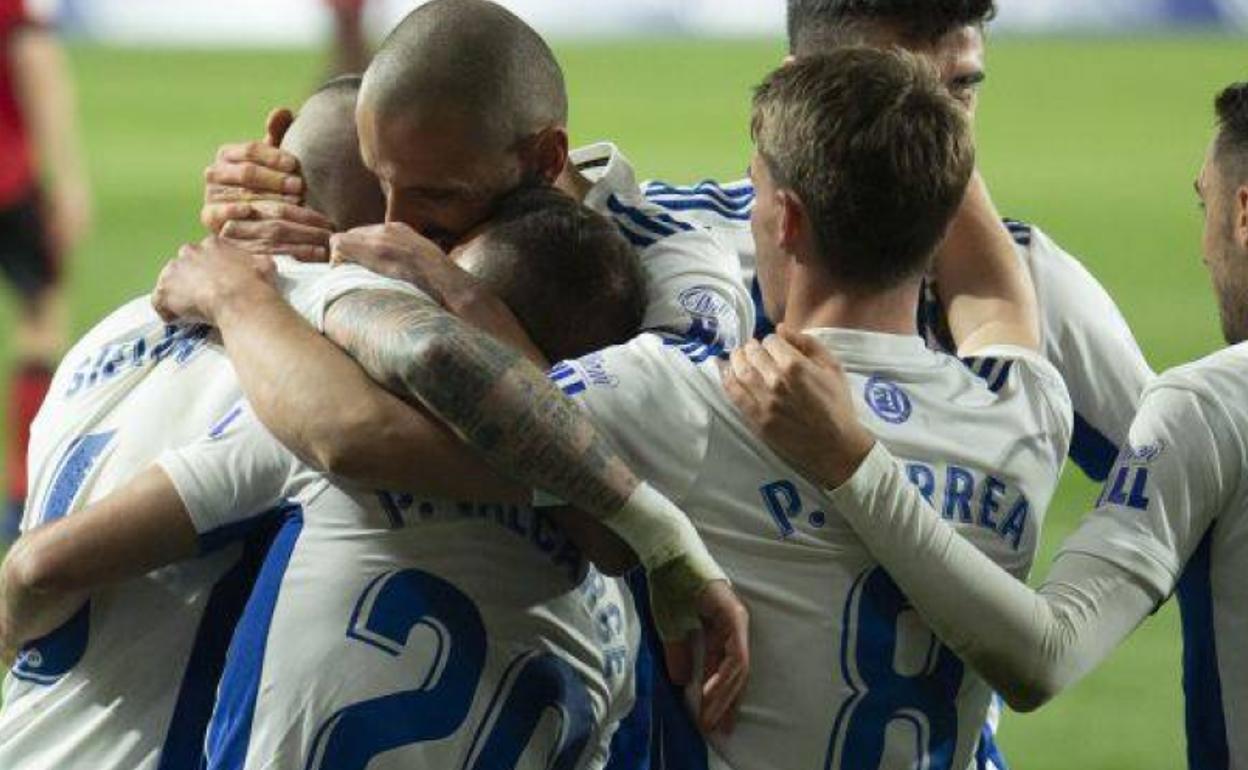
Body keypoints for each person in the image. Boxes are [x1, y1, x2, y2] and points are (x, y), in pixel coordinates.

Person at [0, 78, 747, 769]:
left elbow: (36, 569)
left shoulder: (107, 338)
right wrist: (649, 525)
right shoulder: (319, 389)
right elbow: (377, 419)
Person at [724, 80, 1248, 770]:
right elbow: (1001, 301)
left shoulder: (1215, 404)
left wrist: (853, 462)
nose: (1203, 249)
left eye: (1202, 203)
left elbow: (1046, 655)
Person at [643, 0, 1153, 484]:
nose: (930, 124)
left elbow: (1196, 500)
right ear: (789, 87)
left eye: (960, 89)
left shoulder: (1036, 282)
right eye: (883, 85)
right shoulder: (669, 242)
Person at [198, 0, 753, 352]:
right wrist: (264, 203)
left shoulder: (669, 270)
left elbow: (618, 452)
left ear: (546, 160)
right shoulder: (413, 184)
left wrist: (448, 289)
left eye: (436, 195)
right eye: (379, 180)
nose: (395, 224)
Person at [1, 0, 91, 540]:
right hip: (11, 183)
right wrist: (68, 178)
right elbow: (41, 73)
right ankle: (21, 490)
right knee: (42, 320)